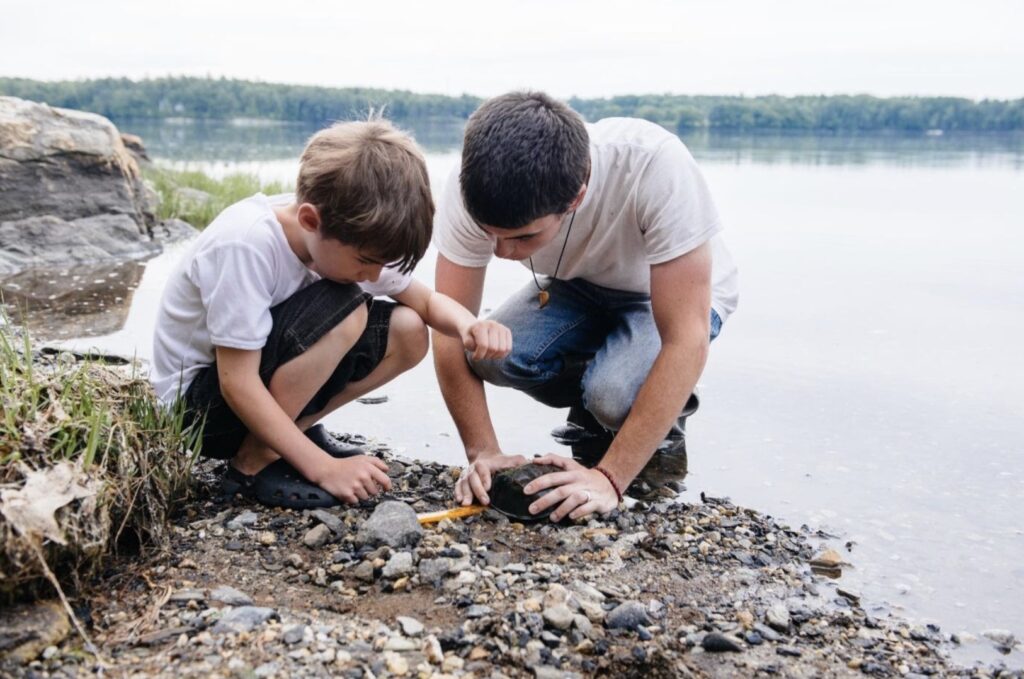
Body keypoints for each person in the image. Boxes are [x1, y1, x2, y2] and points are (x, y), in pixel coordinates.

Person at [150, 119, 511, 509]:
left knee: (408, 329)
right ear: (310, 220)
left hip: (254, 392)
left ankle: (290, 435)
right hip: (201, 411)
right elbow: (236, 383)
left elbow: (424, 301)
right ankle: (252, 465)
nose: (374, 275)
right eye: (366, 262)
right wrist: (323, 469)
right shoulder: (246, 245)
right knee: (347, 310)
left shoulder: (346, 233)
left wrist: (468, 324)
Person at [432, 91, 739, 522]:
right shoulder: (469, 186)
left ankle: (650, 413)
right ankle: (599, 398)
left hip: (664, 294)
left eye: (522, 237)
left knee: (612, 396)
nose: (502, 252)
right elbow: (448, 327)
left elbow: (686, 337)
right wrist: (483, 452)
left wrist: (611, 479)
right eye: (490, 233)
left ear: (575, 198)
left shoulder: (655, 164)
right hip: (578, 287)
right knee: (487, 356)